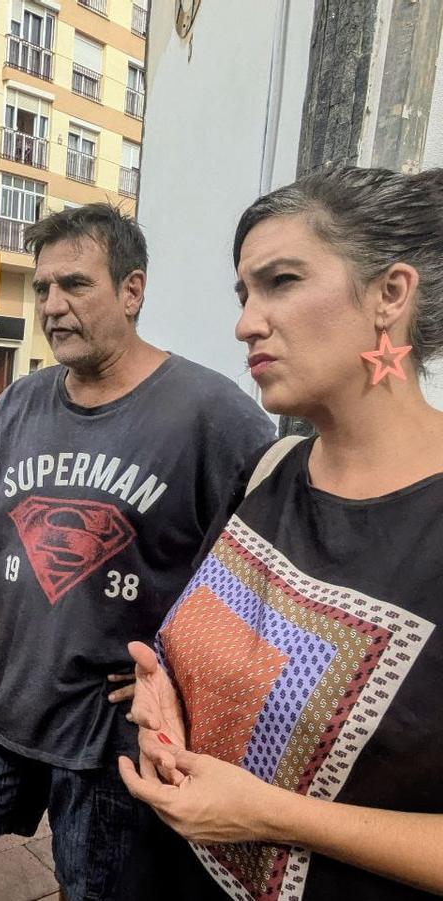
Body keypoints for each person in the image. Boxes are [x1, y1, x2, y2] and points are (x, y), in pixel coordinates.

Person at [0, 204, 275, 901]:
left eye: (75, 285)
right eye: (41, 289)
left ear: (132, 289)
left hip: (112, 726)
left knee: (89, 884)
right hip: (7, 697)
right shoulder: (21, 403)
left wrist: (186, 675)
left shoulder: (213, 415)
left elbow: (261, 575)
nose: (52, 306)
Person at [120, 166, 443, 900]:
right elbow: (195, 653)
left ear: (390, 295)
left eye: (282, 281)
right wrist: (162, 694)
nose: (245, 322)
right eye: (243, 293)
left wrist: (271, 815)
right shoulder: (269, 468)